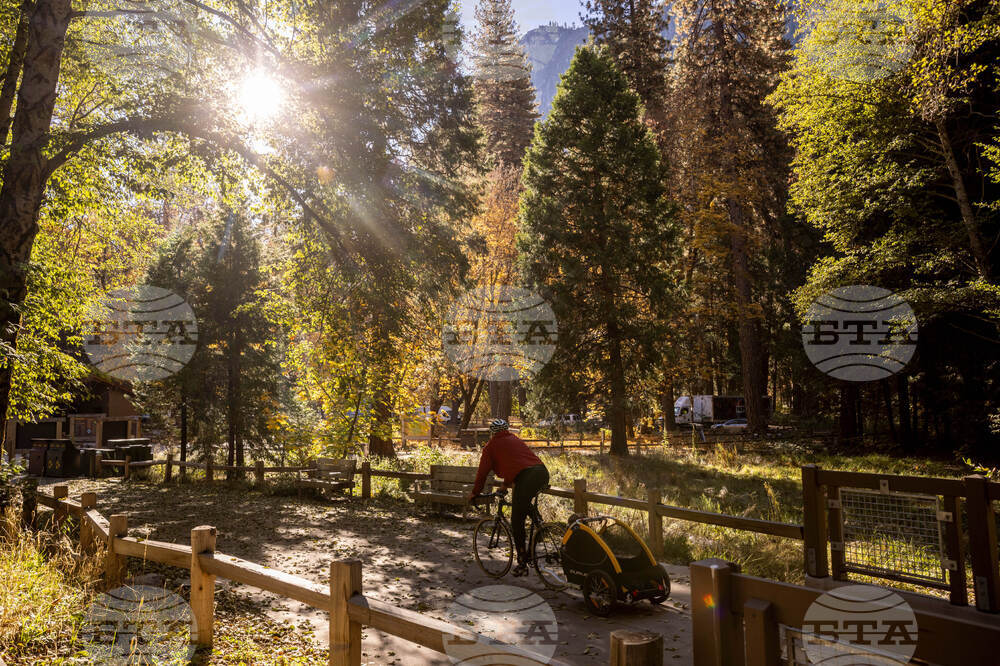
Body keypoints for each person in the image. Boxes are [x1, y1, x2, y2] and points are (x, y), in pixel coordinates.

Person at [468, 418, 550, 576]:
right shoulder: (515, 439)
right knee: (522, 502)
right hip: (542, 473)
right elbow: (516, 465)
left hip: (526, 477)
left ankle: (522, 560)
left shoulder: (490, 447)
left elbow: (482, 473)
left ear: (492, 433)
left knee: (516, 520)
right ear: (507, 430)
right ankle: (540, 525)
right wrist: (505, 485)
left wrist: (475, 493)